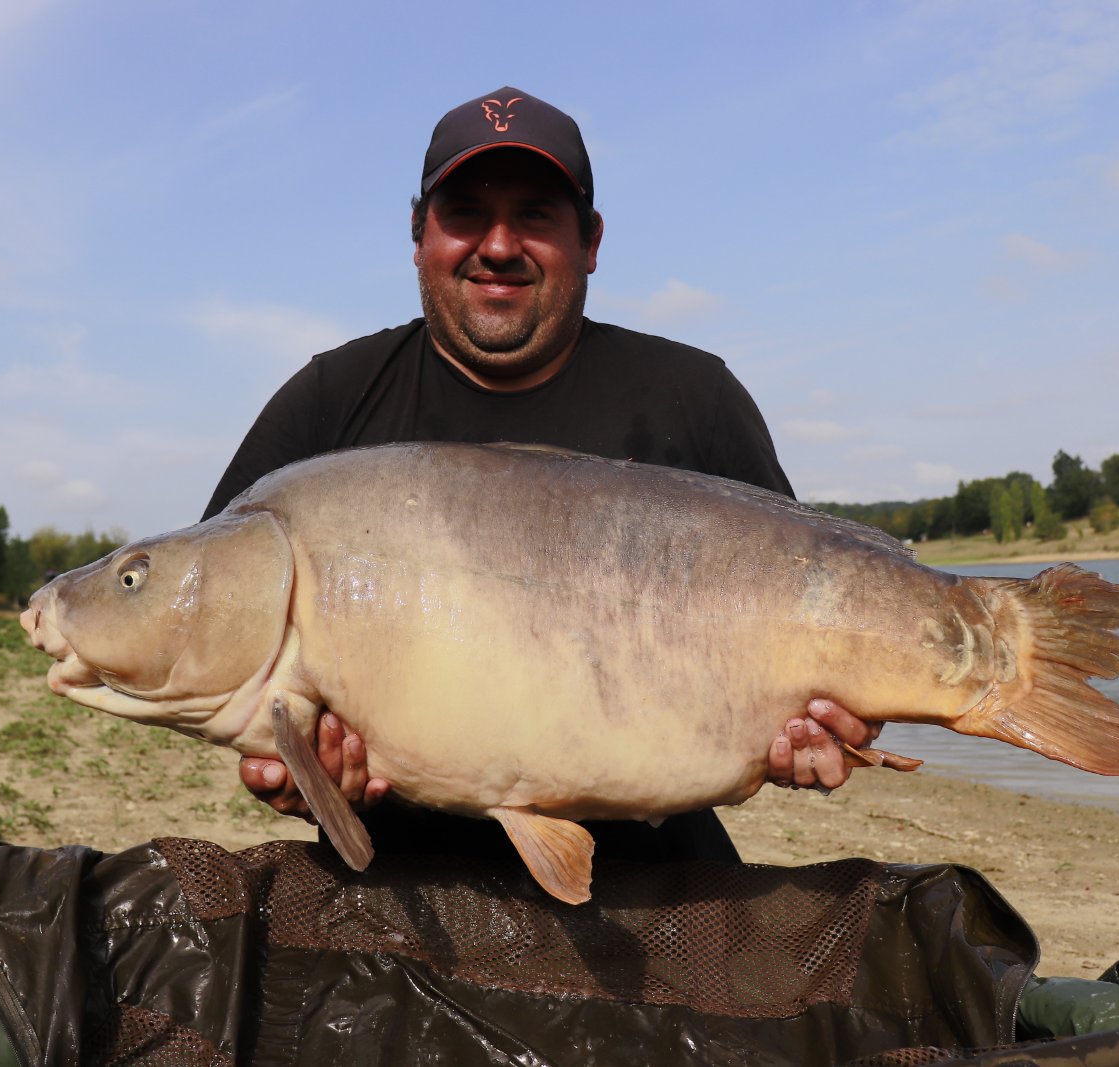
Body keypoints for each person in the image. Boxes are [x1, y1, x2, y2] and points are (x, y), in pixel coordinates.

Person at [202, 86, 881, 866]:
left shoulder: (694, 398)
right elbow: (224, 637)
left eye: (534, 214)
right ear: (417, 234)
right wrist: (297, 768)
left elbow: (815, 636)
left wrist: (826, 730)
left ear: (590, 240)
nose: (498, 244)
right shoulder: (329, 404)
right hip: (397, 898)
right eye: (463, 213)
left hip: (664, 891)